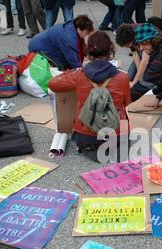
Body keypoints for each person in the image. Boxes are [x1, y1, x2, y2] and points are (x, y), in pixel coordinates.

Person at [48, 31, 131, 161]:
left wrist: (70, 71)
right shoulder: (123, 77)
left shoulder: (79, 75)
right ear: (110, 50)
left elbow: (53, 84)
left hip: (87, 138)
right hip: (117, 138)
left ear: (89, 52)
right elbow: (127, 102)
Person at [28, 15, 93, 70]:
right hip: (38, 48)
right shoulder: (69, 39)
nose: (87, 34)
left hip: (39, 41)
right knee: (57, 70)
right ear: (79, 30)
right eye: (87, 32)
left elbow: (83, 48)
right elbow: (73, 61)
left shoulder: (72, 25)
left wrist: (91, 55)